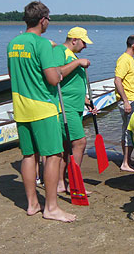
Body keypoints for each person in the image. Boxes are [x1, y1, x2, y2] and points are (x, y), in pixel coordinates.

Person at [7, 1, 75, 222]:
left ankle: (32, 204)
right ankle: (52, 207)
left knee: (28, 156)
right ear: (43, 19)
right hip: (43, 107)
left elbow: (12, 74)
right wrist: (60, 72)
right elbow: (53, 78)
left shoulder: (13, 44)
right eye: (49, 19)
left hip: (20, 107)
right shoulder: (42, 44)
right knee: (53, 156)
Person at [53, 27, 93, 193]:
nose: (85, 46)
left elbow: (72, 84)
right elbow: (56, 73)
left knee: (67, 147)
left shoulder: (71, 54)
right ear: (74, 40)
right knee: (80, 143)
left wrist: (87, 102)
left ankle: (62, 183)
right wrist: (78, 62)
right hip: (65, 107)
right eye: (84, 42)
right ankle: (74, 183)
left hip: (75, 106)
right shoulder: (59, 51)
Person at [114, 35, 134, 172]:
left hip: (133, 99)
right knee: (129, 132)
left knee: (128, 130)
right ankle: (125, 163)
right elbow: (117, 80)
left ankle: (128, 159)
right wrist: (125, 101)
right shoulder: (124, 59)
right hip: (129, 100)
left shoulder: (130, 59)